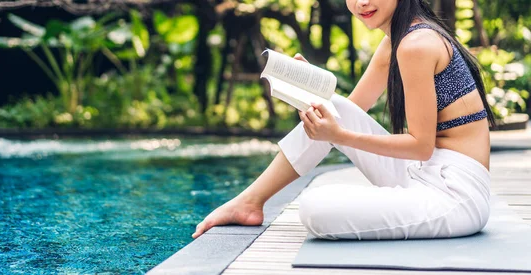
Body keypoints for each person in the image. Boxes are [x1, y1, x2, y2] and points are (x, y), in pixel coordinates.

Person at [192, 0, 496, 240]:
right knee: (324, 105)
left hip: (455, 195)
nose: (361, 2)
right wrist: (310, 84)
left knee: (315, 208)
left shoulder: (416, 45)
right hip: (424, 172)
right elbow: (348, 111)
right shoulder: (397, 39)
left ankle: (250, 203)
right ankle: (250, 201)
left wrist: (336, 135)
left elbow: (420, 146)